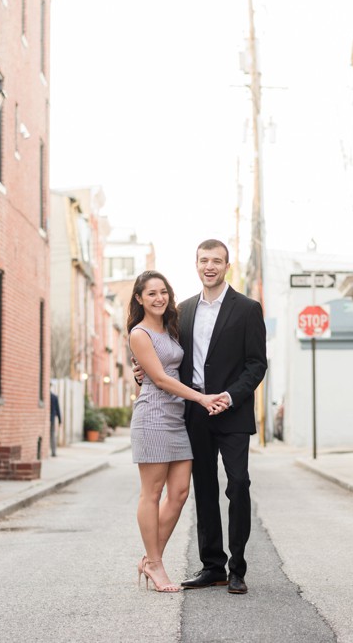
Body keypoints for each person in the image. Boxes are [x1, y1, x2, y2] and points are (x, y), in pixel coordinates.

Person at [135, 239, 267, 595]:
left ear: (227, 265)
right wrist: (142, 372)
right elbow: (167, 357)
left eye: (217, 261)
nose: (210, 266)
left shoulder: (248, 309)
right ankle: (213, 566)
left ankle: (237, 568)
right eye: (204, 260)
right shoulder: (182, 310)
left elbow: (257, 364)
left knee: (237, 485)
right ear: (196, 264)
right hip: (193, 414)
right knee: (203, 489)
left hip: (232, 412)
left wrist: (230, 396)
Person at [127, 270, 228, 593]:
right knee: (152, 493)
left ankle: (149, 558)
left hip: (177, 417)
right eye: (151, 293)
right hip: (154, 416)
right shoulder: (140, 333)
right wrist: (201, 397)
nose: (159, 298)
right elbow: (160, 378)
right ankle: (156, 565)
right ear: (139, 299)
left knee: (181, 492)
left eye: (163, 292)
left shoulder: (172, 328)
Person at [49, 380, 62, 457]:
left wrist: (60, 420)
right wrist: (60, 420)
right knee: (52, 435)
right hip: (52, 418)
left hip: (50, 419)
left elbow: (57, 409)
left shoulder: (51, 397)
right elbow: (58, 410)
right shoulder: (54, 397)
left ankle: (53, 451)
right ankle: (53, 452)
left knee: (52, 434)